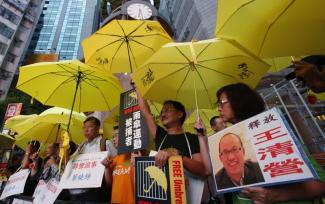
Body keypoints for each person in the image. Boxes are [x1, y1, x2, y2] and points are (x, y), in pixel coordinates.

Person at [216, 83, 325, 204]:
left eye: (222, 102)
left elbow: (320, 186)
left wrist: (274, 196)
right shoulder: (234, 139)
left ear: (239, 101)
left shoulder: (271, 135)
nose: (219, 108)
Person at [135, 87, 211, 203]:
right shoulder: (160, 135)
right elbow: (146, 113)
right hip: (163, 197)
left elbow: (203, 170)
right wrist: (137, 87)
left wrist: (177, 156)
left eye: (167, 110)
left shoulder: (192, 138)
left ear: (179, 114)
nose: (163, 114)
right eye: (162, 111)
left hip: (186, 197)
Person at [68, 116, 109, 202]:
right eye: (84, 127)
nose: (86, 130)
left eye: (90, 127)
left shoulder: (105, 143)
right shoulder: (82, 146)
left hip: (92, 192)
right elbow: (70, 162)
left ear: (98, 128)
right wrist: (65, 150)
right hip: (75, 191)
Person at [102, 126, 143, 204]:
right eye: (113, 136)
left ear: (128, 136)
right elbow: (109, 183)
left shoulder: (137, 155)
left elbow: (143, 183)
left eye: (117, 135)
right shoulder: (114, 159)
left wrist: (139, 165)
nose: (113, 139)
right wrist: (106, 168)